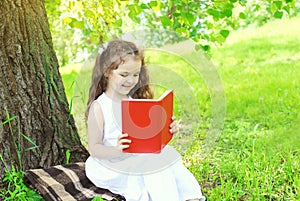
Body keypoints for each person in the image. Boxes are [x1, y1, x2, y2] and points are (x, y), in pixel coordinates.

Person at [85, 39, 205, 201]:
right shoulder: (100, 107)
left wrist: (166, 131)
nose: (131, 80)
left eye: (136, 74)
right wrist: (118, 149)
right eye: (124, 74)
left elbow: (148, 139)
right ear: (106, 72)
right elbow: (95, 149)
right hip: (111, 164)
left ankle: (192, 197)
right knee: (153, 166)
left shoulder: (135, 103)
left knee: (168, 155)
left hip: (138, 157)